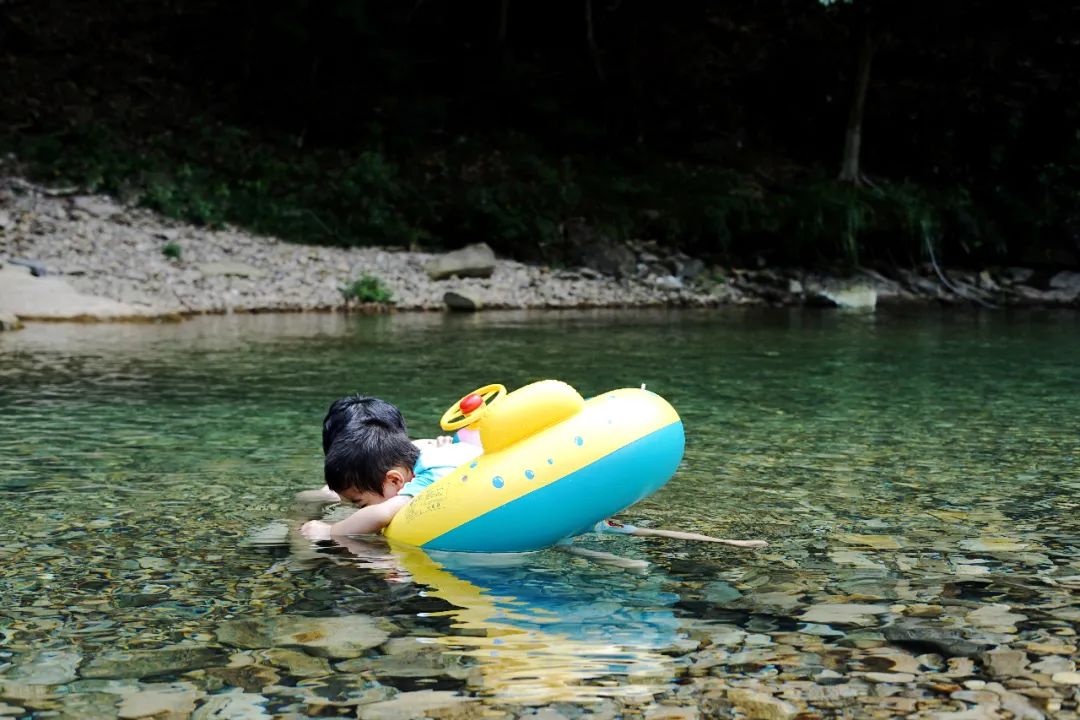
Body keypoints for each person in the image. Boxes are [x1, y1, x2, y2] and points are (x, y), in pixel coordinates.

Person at [299, 394, 767, 549]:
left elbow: (381, 516)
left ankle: (725, 543)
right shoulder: (428, 452)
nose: (360, 506)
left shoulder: (413, 487)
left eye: (358, 499)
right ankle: (724, 541)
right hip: (551, 494)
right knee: (625, 533)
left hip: (513, 509)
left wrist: (332, 531)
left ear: (393, 480)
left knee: (594, 546)